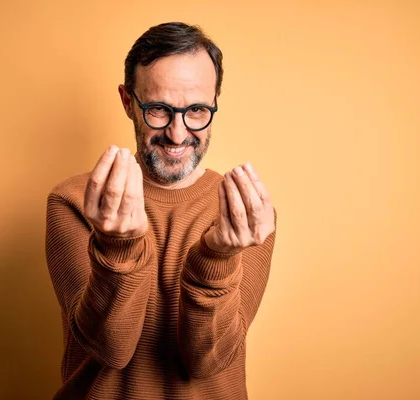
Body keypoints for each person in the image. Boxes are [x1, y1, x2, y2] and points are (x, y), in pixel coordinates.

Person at [45, 21, 277, 400]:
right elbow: (111, 349)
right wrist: (117, 248)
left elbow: (206, 361)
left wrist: (218, 255)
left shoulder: (245, 216)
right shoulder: (72, 201)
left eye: (198, 110)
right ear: (127, 101)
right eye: (158, 110)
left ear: (215, 100)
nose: (178, 133)